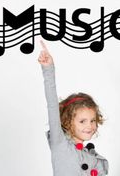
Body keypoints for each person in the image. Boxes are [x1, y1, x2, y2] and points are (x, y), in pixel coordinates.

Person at [38, 40, 108, 176]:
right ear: (68, 121)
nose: (90, 126)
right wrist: (48, 68)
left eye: (92, 120)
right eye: (82, 121)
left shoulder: (93, 157)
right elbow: (52, 104)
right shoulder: (60, 144)